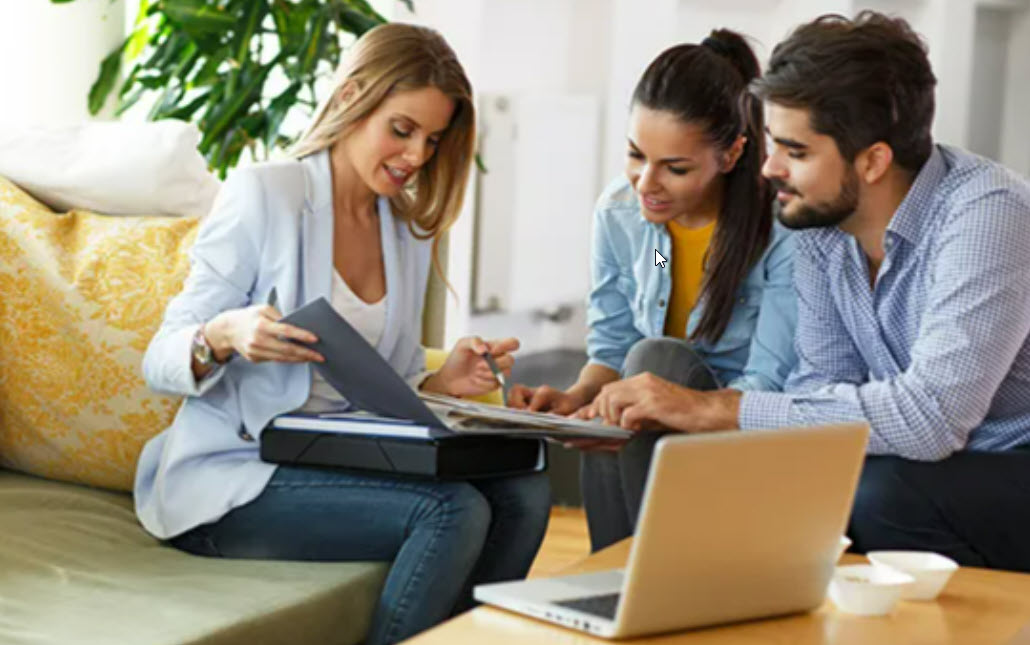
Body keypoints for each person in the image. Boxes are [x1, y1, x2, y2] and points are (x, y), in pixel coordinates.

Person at [134, 23, 550, 644]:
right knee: (452, 511)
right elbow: (159, 358)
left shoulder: (407, 230)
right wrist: (224, 334)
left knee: (526, 488)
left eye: (432, 140)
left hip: (343, 456)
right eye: (402, 129)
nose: (415, 156)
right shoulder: (266, 194)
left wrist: (442, 380)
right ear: (352, 97)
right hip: (240, 475)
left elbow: (388, 382)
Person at [585, 12, 1030, 572]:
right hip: (905, 451)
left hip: (1006, 455)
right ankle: (627, 589)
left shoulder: (985, 217)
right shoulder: (813, 227)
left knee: (871, 493)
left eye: (794, 151)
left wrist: (711, 409)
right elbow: (820, 380)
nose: (768, 168)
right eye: (772, 145)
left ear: (873, 161)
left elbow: (931, 417)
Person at [509, 30, 798, 552]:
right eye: (636, 156)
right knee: (624, 390)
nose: (645, 183)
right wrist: (577, 398)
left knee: (653, 360)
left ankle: (650, 572)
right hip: (652, 421)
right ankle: (617, 576)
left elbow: (767, 387)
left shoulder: (779, 232)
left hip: (736, 430)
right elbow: (613, 347)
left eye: (675, 168)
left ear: (732, 154)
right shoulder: (632, 221)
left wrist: (665, 395)